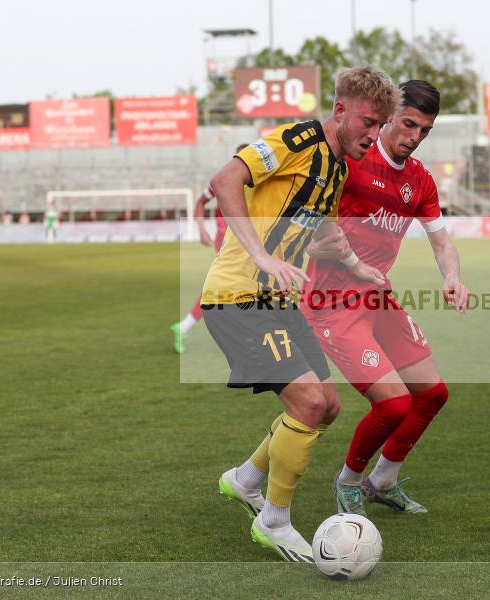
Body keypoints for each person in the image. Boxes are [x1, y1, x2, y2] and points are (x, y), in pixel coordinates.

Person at [205, 66, 402, 562]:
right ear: (340, 111)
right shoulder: (296, 139)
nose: (373, 135)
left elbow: (319, 232)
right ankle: (274, 521)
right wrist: (261, 256)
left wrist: (358, 266)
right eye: (368, 122)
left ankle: (245, 480)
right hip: (240, 297)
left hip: (279, 302)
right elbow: (224, 180)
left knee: (327, 407)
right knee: (309, 405)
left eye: (380, 126)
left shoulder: (335, 168)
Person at [303, 80, 469, 516]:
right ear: (389, 116)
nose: (414, 138)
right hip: (331, 303)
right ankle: (349, 481)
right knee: (394, 403)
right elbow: (308, 225)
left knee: (432, 394)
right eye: (409, 124)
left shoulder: (420, 181)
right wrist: (312, 248)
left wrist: (453, 277)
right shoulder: (353, 160)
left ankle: (383, 480)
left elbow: (441, 241)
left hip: (376, 298)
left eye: (425, 131)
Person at [170, 144, 248, 354]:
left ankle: (184, 326)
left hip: (243, 239)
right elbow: (200, 201)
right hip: (228, 240)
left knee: (226, 288)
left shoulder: (256, 179)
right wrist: (202, 229)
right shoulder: (225, 178)